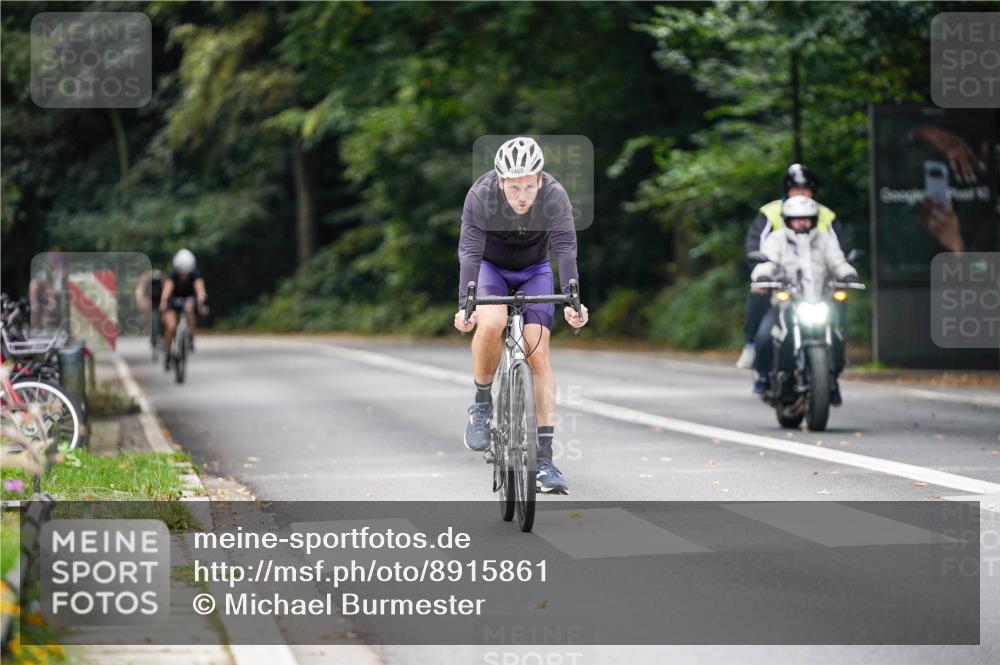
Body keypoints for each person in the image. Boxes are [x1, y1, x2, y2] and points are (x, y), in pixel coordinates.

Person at [453, 137, 588, 494]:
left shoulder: (554, 196)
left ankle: (543, 460)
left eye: (529, 185)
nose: (522, 195)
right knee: (493, 322)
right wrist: (465, 305)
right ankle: (482, 403)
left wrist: (574, 300)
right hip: (490, 269)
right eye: (515, 187)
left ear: (540, 180)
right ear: (500, 182)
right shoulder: (481, 195)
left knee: (539, 352)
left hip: (534, 271)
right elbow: (469, 251)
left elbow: (565, 248)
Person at [737, 164, 850, 381]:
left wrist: (843, 273)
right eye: (795, 189)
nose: (800, 194)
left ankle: (835, 358)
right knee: (761, 311)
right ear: (786, 191)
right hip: (781, 284)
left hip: (819, 285)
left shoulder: (826, 216)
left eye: (805, 189)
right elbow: (755, 246)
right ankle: (753, 348)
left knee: (840, 299)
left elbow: (839, 251)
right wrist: (761, 274)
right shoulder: (770, 214)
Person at [750, 196, 859, 404]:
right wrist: (762, 275)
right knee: (764, 336)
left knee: (837, 336)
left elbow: (838, 261)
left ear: (814, 219)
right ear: (787, 220)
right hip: (787, 303)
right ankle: (764, 377)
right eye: (796, 219)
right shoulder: (777, 239)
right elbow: (767, 262)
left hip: (819, 301)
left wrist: (848, 274)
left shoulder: (825, 239)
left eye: (807, 219)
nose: (802, 223)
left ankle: (831, 380)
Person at [159, 249, 208, 368]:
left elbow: (200, 289)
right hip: (173, 302)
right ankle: (167, 352)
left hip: (188, 301)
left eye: (186, 272)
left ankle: (190, 336)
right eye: (182, 272)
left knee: (189, 307)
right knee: (170, 326)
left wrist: (201, 300)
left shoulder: (195, 275)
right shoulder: (174, 275)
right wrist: (164, 301)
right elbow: (167, 290)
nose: (184, 275)